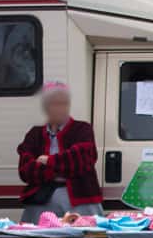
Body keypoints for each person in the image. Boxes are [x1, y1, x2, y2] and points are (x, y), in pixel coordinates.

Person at [16, 83, 103, 222]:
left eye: (64, 103)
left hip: (80, 201)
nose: (61, 108)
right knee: (33, 234)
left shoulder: (82, 129)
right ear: (46, 107)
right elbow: (25, 170)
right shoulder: (34, 134)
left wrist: (48, 161)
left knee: (86, 234)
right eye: (55, 104)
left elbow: (82, 160)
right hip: (41, 201)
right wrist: (61, 167)